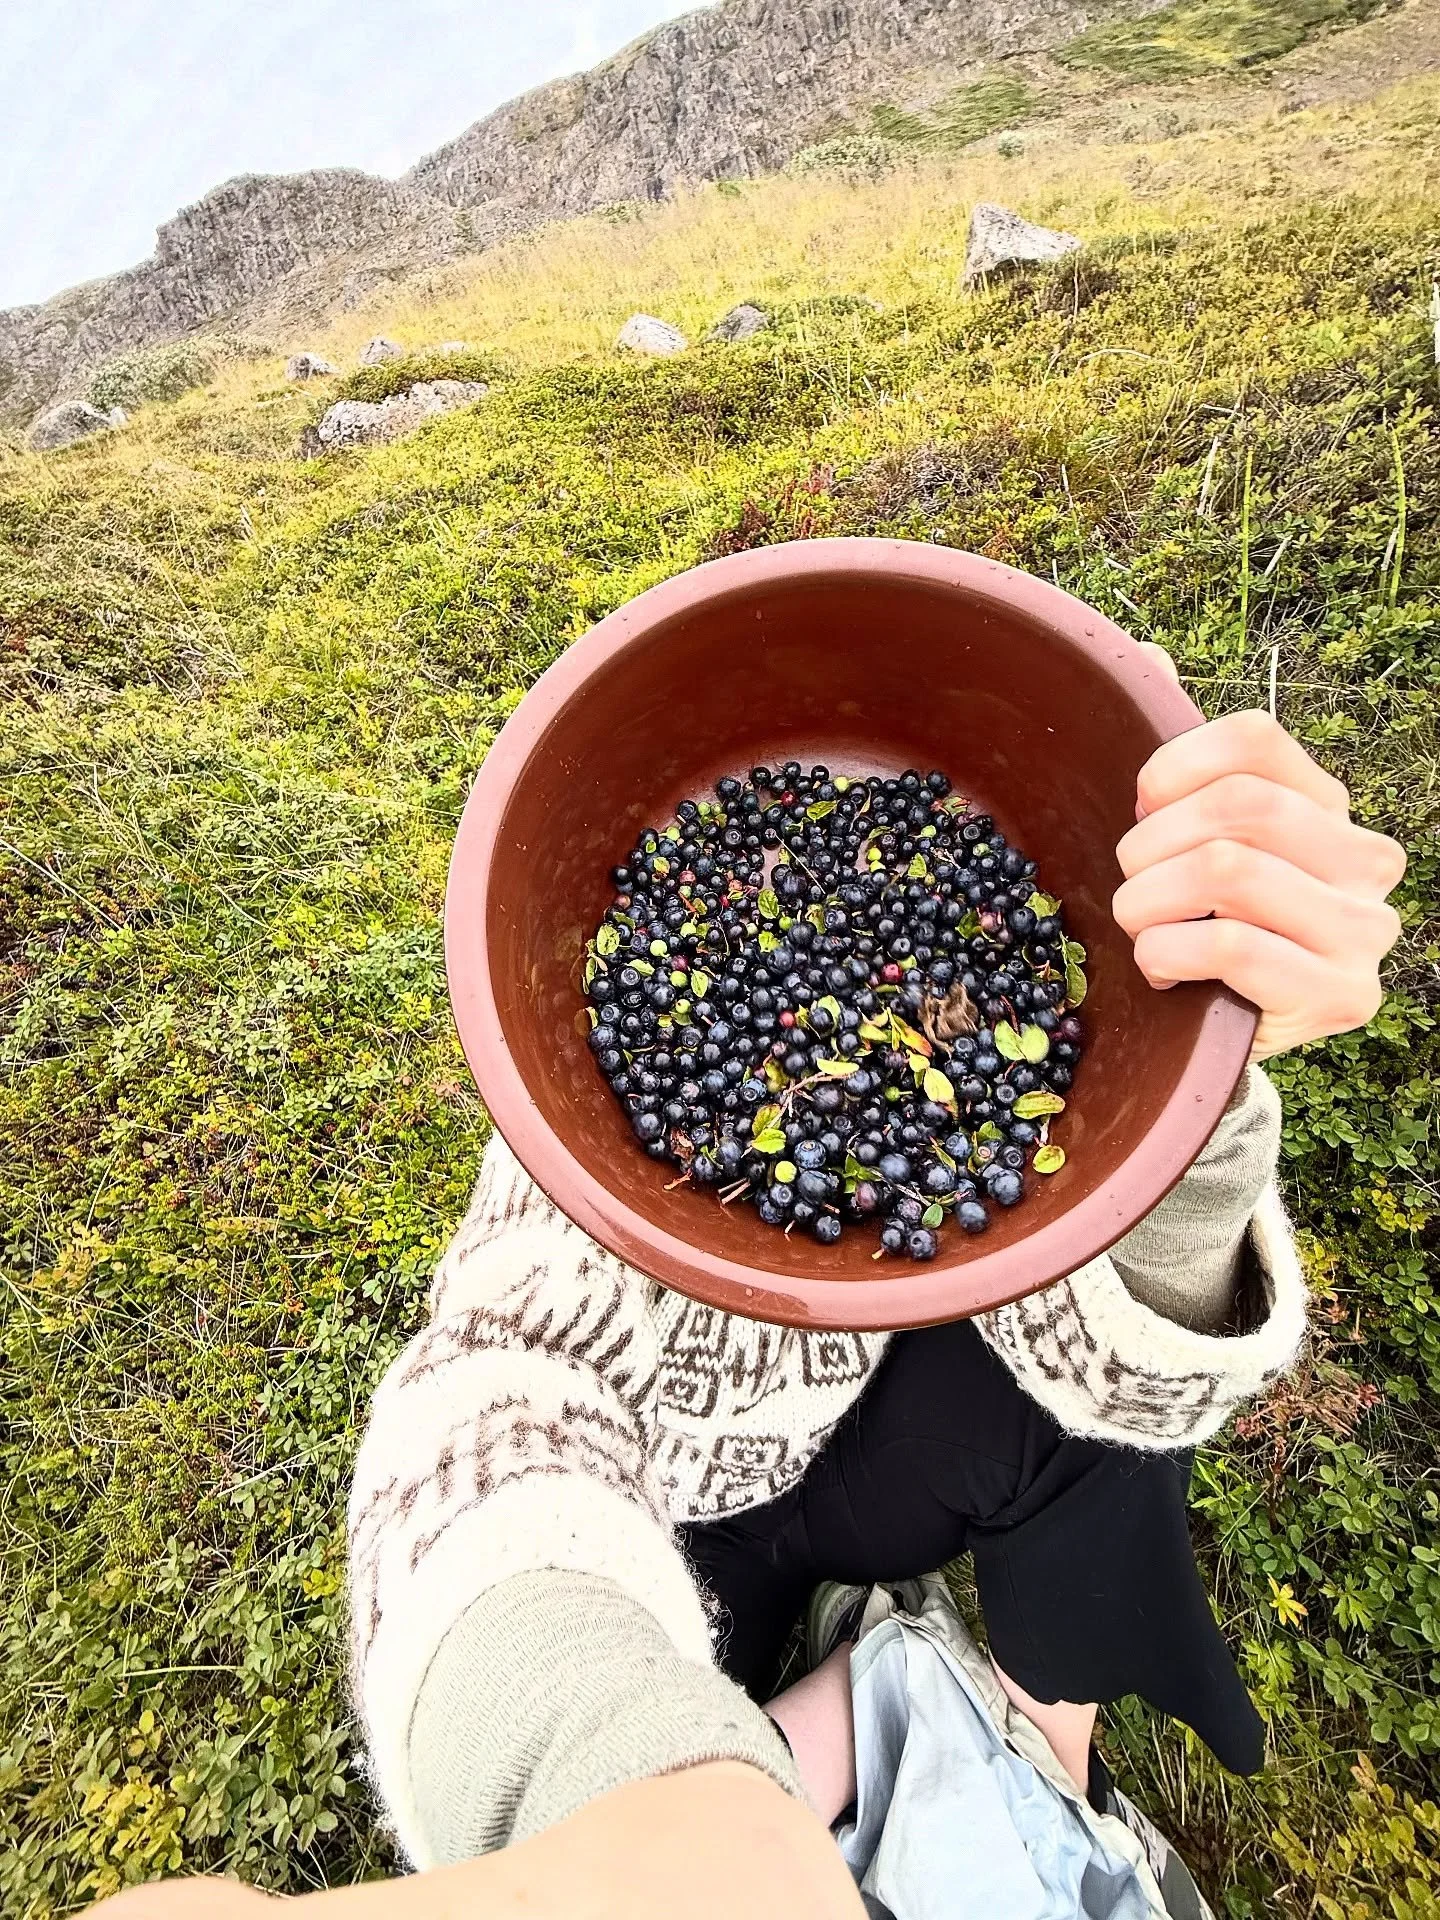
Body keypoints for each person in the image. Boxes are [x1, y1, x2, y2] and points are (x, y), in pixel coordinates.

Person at [92, 692, 1404, 1920]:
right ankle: (883, 1717)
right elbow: (494, 1409)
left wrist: (1196, 1077)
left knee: (1109, 1451)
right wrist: (617, 1772)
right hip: (686, 1516)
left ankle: (1024, 1730)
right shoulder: (598, 1150)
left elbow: (1142, 1385)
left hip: (919, 1438)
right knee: (698, 1764)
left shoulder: (997, 1109)